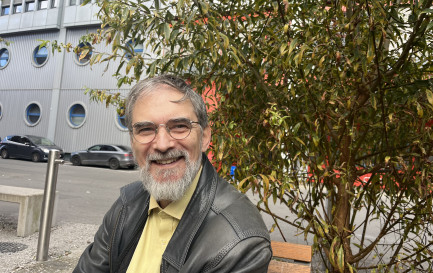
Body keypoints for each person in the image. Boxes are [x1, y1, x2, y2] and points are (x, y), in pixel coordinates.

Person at [73, 74, 272, 273]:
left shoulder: (239, 240)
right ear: (133, 142)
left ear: (204, 137)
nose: (162, 144)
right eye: (145, 129)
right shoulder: (125, 206)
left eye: (178, 127)